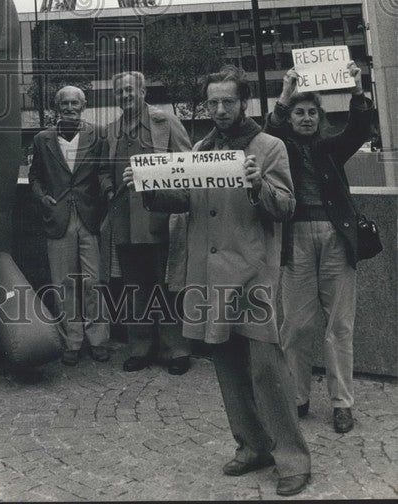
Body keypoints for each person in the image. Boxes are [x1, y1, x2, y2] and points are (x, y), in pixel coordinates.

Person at [129, 67, 311, 497]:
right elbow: (187, 199)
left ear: (243, 102)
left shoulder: (270, 147)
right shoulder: (202, 149)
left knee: (268, 371)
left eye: (227, 101)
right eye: (212, 102)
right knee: (227, 366)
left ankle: (292, 459)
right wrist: (148, 186)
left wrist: (257, 184)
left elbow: (286, 206)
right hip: (209, 277)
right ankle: (252, 447)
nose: (219, 109)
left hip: (252, 276)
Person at [266, 61, 372, 435]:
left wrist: (357, 90)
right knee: (295, 324)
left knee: (339, 324)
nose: (307, 118)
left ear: (320, 117)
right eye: (300, 112)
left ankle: (342, 403)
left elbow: (360, 128)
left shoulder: (331, 148)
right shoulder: (280, 149)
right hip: (295, 238)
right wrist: (284, 95)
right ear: (291, 117)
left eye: (312, 112)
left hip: (335, 236)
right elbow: (267, 131)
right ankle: (297, 398)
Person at [99, 71, 191, 375]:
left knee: (168, 286)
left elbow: (185, 163)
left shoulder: (165, 122)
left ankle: (175, 349)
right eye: (119, 91)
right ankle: (139, 348)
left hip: (161, 218)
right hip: (124, 220)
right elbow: (102, 171)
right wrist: (109, 189)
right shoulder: (110, 130)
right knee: (134, 288)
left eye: (130, 90)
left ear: (142, 91)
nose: (125, 95)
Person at [29, 86, 110, 365]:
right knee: (63, 282)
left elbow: (102, 172)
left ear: (83, 106)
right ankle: (72, 341)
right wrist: (43, 198)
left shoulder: (97, 135)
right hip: (58, 217)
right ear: (56, 107)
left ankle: (98, 339)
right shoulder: (42, 139)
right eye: (64, 103)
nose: (70, 108)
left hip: (89, 216)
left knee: (93, 281)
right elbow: (35, 176)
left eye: (75, 103)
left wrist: (109, 192)